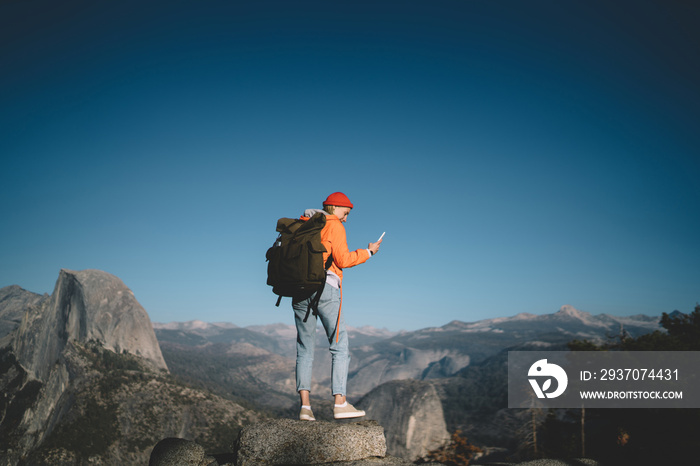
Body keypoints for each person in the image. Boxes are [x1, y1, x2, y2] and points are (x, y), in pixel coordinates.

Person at [293, 192, 382, 421]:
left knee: (304, 349)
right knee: (339, 346)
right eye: (346, 212)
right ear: (334, 207)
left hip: (298, 289)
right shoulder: (334, 226)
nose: (346, 218)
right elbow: (343, 260)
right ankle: (340, 403)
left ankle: (305, 408)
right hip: (325, 287)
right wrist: (369, 252)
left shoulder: (304, 225)